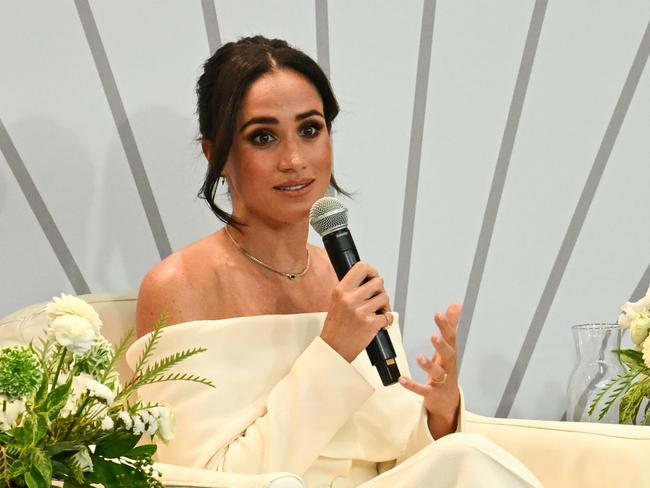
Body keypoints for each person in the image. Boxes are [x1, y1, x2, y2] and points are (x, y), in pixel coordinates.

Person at [132, 36, 541, 487]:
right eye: (263, 137)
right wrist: (331, 352)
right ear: (218, 156)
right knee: (469, 459)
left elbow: (391, 458)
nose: (294, 160)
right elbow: (193, 478)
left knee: (464, 452)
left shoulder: (343, 274)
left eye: (310, 129)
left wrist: (439, 412)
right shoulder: (178, 286)